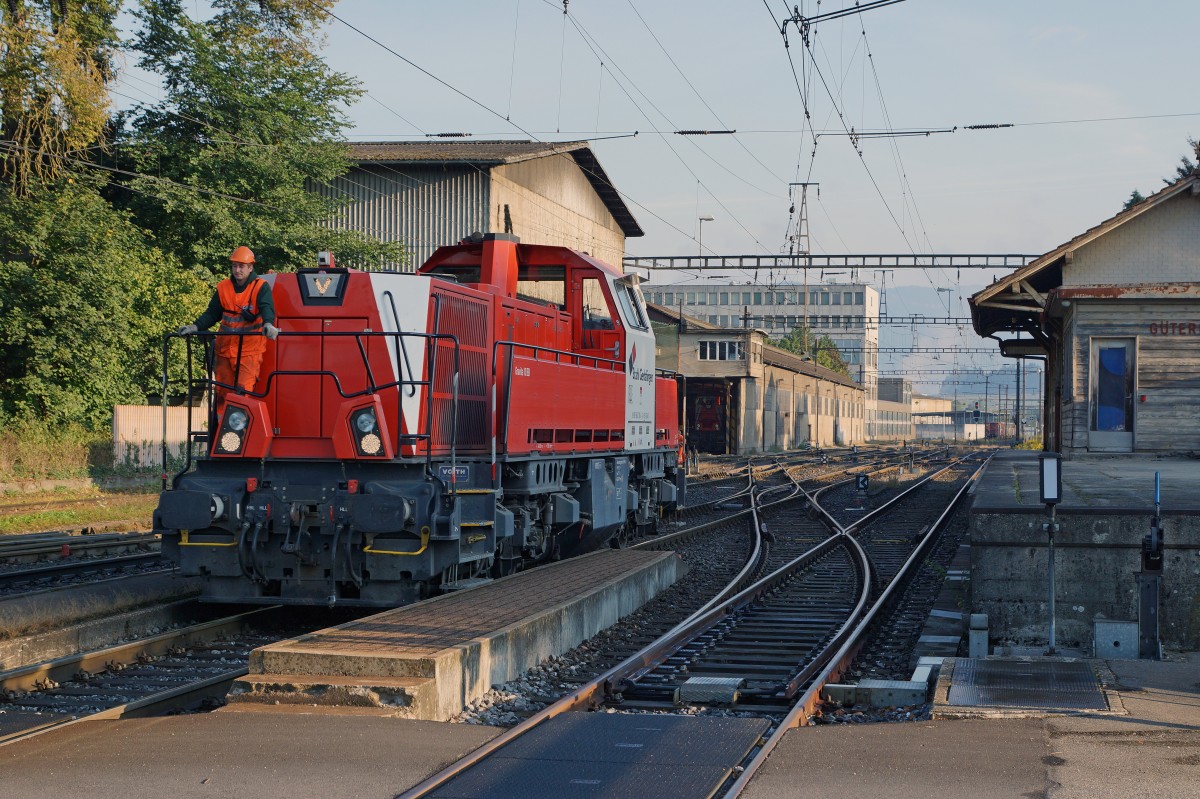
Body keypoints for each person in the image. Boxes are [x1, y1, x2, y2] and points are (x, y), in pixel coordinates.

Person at [177, 246, 279, 407]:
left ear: (250, 267)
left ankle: (238, 423)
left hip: (249, 352)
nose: (237, 270)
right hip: (224, 351)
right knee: (222, 394)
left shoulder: (260, 287)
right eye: (234, 266)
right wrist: (195, 326)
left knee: (242, 393)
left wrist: (268, 324)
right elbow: (212, 313)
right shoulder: (223, 287)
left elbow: (267, 308)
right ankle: (220, 422)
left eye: (241, 266)